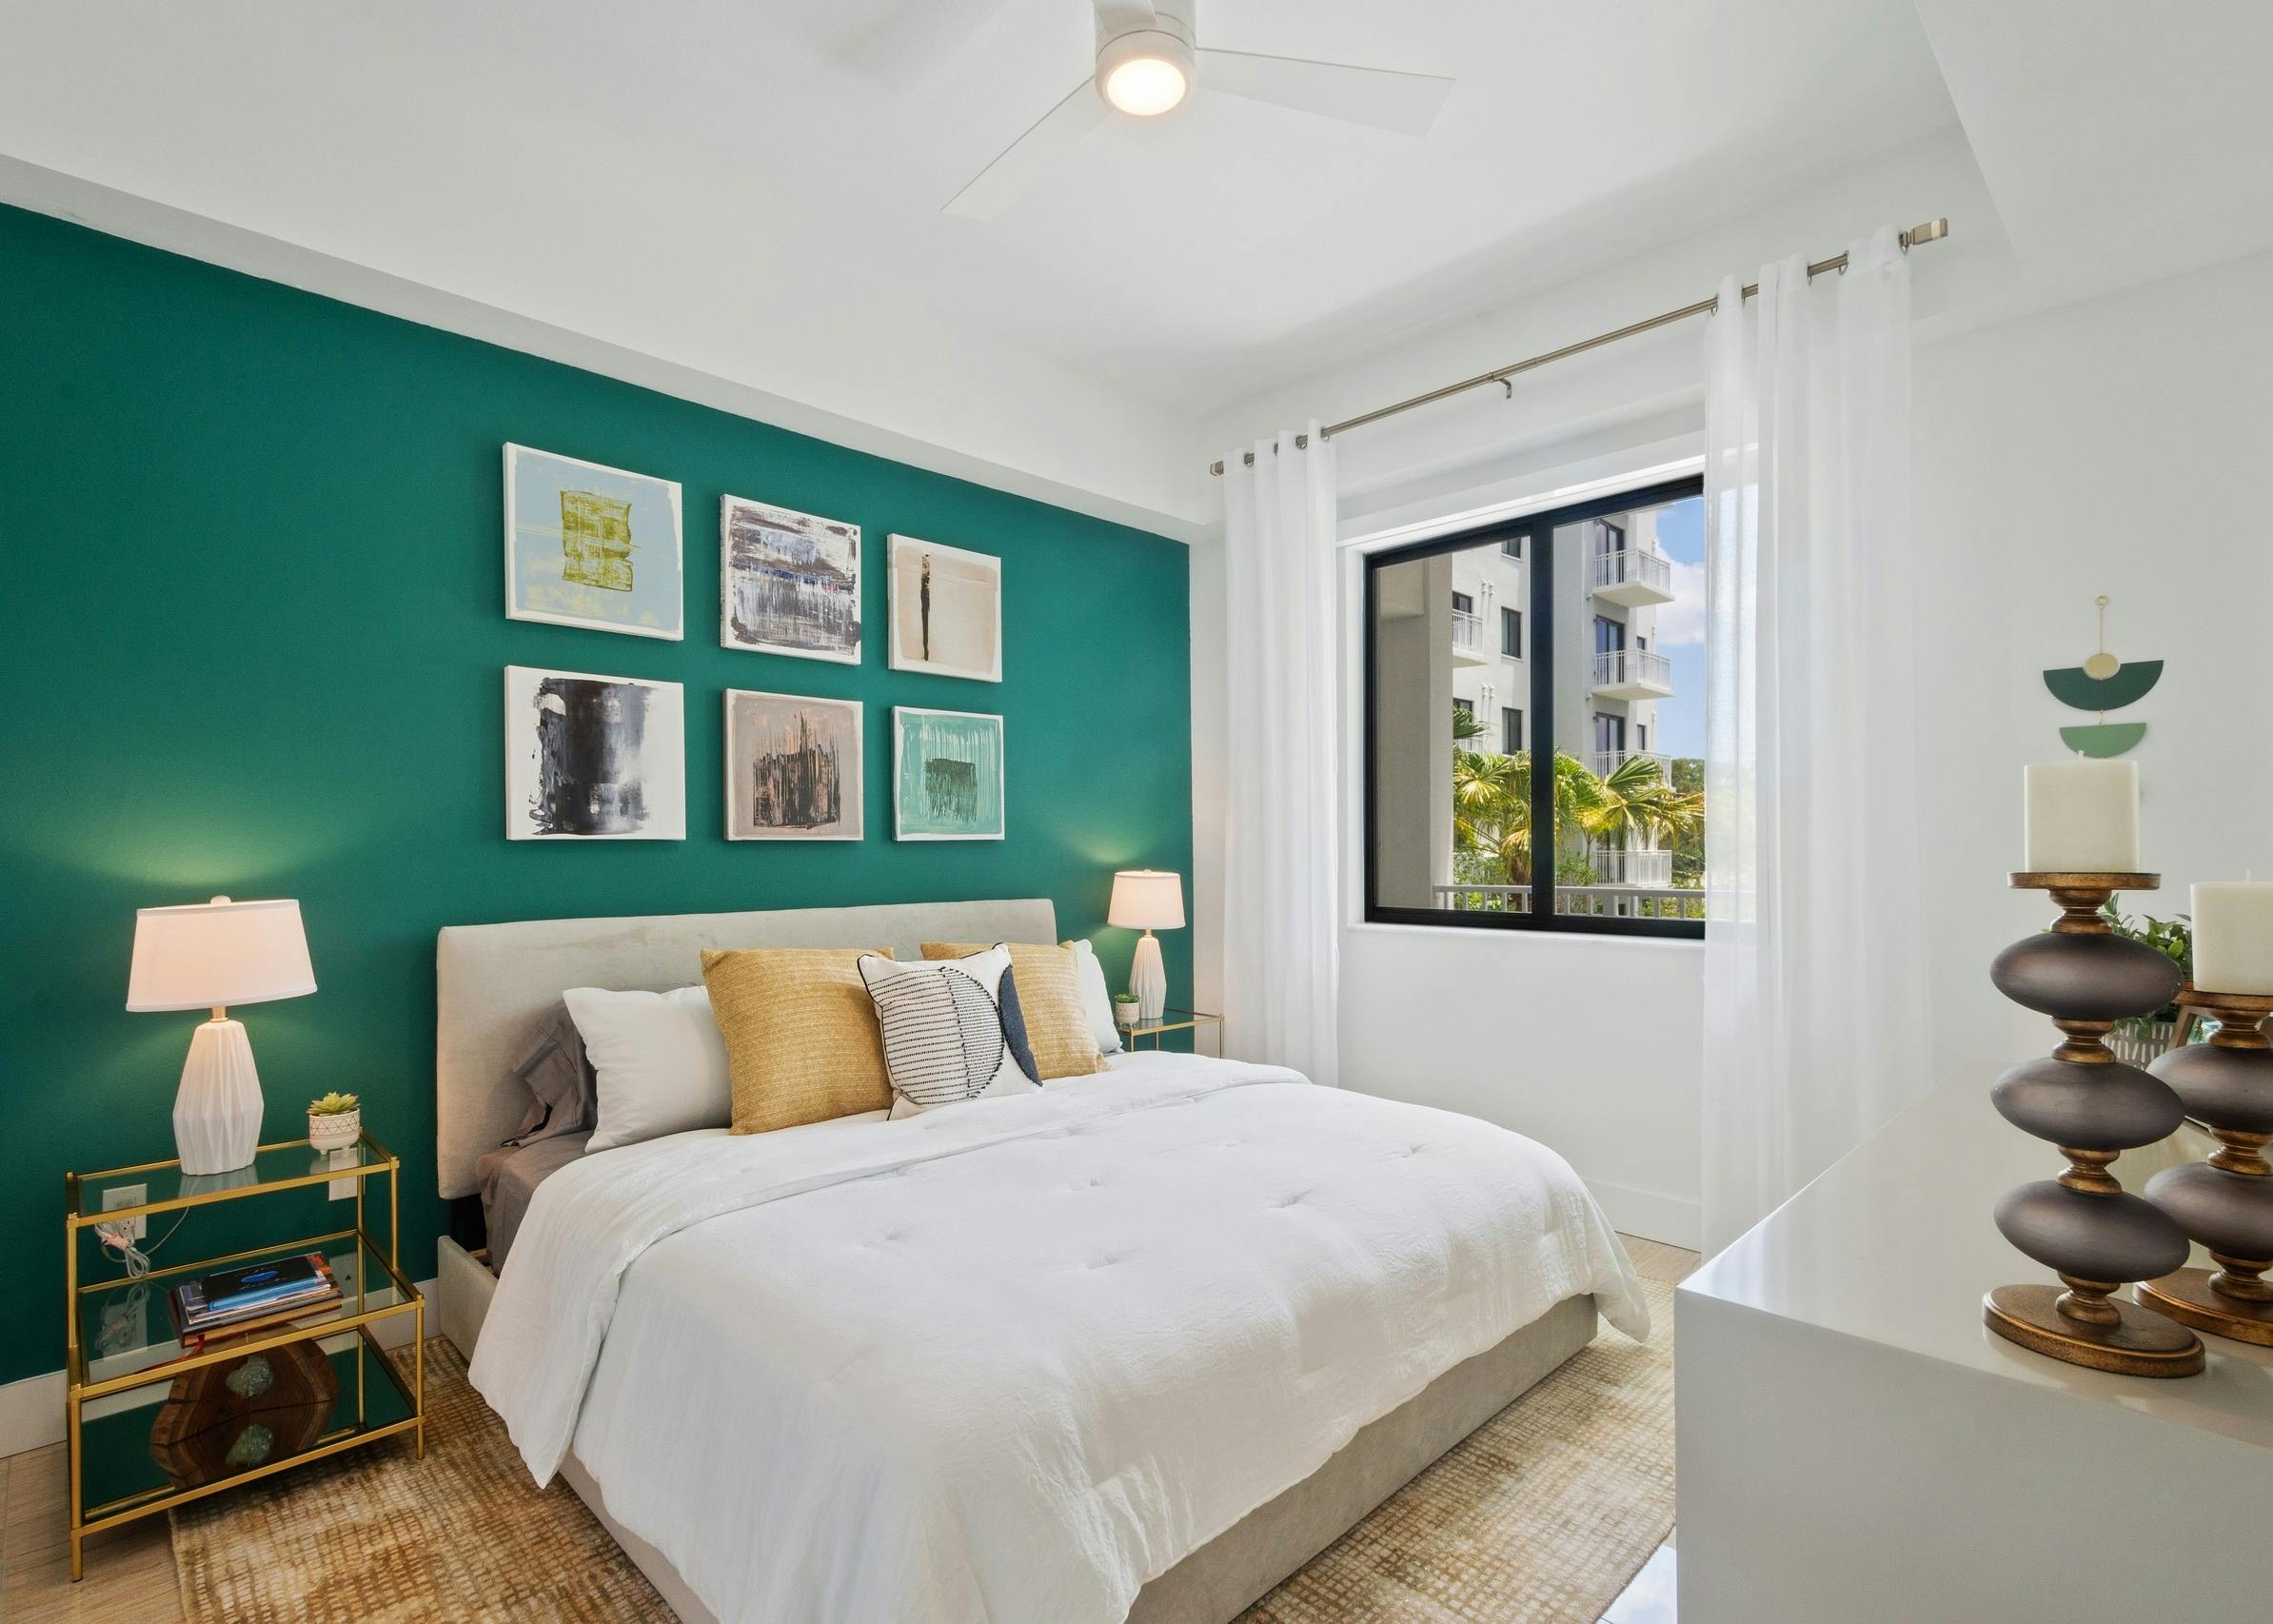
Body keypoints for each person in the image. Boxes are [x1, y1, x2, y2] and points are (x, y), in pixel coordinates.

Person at [919, 553, 933, 662]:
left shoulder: (927, 578)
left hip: (926, 595)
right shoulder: (923, 578)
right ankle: (925, 652)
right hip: (924, 594)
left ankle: (926, 653)